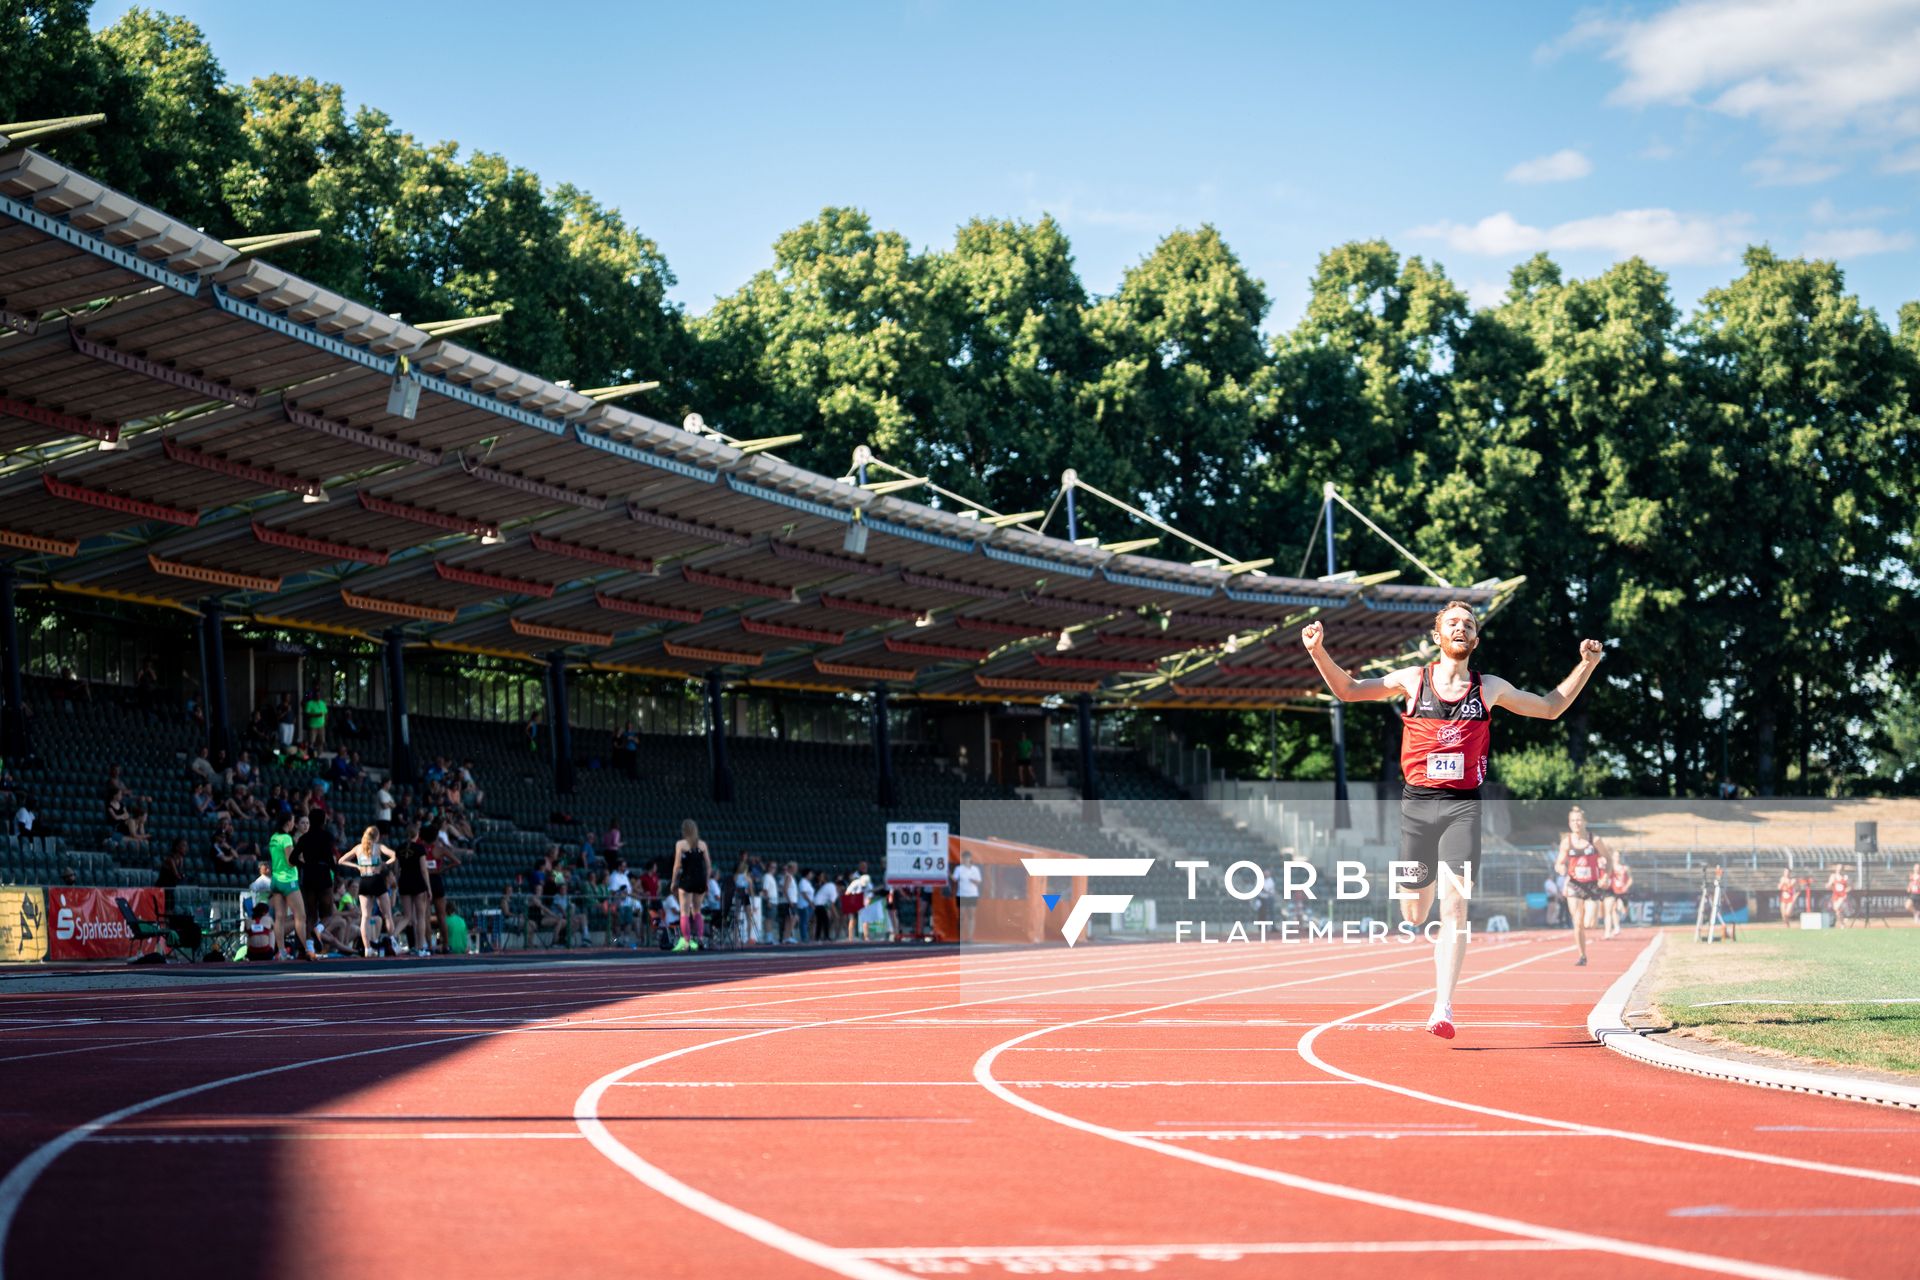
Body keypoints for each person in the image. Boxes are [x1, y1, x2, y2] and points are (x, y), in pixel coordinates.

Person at [1303, 601, 1607, 1040]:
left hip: (1463, 808)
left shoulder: (1489, 688)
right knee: (1413, 912)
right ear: (1437, 636)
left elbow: (1549, 707)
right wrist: (1317, 651)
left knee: (1456, 906)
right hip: (1416, 808)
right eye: (1453, 623)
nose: (1461, 628)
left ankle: (1442, 1006)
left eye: (1469, 624)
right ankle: (1420, 918)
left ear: (1476, 639)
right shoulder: (1412, 680)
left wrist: (1587, 665)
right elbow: (1350, 690)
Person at [1555, 806, 1614, 966]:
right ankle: (1582, 955)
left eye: (1579, 820)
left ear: (1585, 822)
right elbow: (1559, 863)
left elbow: (1609, 860)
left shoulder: (1594, 840)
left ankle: (1595, 918)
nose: (1576, 823)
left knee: (1590, 923)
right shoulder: (1566, 842)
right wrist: (1561, 868)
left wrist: (1606, 876)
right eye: (1573, 820)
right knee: (1577, 922)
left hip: (1592, 885)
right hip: (1574, 885)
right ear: (1569, 823)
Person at [337, 825, 400, 957]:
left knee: (365, 916)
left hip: (364, 881)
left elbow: (341, 860)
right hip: (376, 880)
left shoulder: (358, 848)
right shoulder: (378, 847)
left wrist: (357, 866)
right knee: (387, 914)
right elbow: (395, 855)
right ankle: (393, 941)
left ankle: (367, 948)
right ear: (376, 836)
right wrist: (385, 864)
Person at [266, 813, 314, 961]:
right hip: (288, 880)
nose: (294, 824)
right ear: (288, 823)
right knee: (301, 916)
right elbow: (290, 861)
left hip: (276, 880)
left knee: (279, 917)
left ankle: (282, 952)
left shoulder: (274, 837)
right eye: (293, 821)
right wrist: (303, 860)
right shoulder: (286, 838)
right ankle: (307, 949)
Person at [667, 820, 711, 953]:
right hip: (700, 880)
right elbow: (708, 866)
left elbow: (677, 865)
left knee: (684, 912)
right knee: (697, 911)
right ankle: (700, 939)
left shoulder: (680, 844)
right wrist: (706, 881)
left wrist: (673, 882)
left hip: (687, 879)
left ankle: (686, 942)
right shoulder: (702, 844)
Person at [395, 823, 432, 956]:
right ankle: (420, 947)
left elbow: (396, 870)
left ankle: (393, 935)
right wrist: (428, 888)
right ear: (416, 835)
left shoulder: (399, 848)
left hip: (404, 882)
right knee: (420, 916)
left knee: (407, 916)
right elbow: (423, 869)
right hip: (417, 883)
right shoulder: (420, 848)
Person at [951, 848, 983, 943]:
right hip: (962, 894)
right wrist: (949, 874)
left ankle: (970, 937)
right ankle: (960, 937)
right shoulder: (959, 869)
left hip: (972, 894)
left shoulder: (975, 869)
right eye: (964, 858)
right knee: (962, 915)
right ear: (962, 858)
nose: (966, 859)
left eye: (967, 858)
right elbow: (954, 879)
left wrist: (972, 880)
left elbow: (978, 882)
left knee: (971, 915)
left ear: (970, 858)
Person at [1604, 855, 1632, 938]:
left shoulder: (1625, 868)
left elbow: (1630, 879)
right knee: (1613, 909)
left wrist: (1626, 886)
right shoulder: (1610, 868)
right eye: (1615, 856)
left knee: (1624, 910)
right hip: (1614, 891)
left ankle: (1623, 915)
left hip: (1623, 891)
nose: (1617, 858)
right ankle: (1616, 927)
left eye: (1618, 856)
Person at [844, 863, 872, 942]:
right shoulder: (855, 883)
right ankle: (850, 938)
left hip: (863, 901)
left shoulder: (869, 885)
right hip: (854, 900)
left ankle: (866, 937)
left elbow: (869, 896)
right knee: (853, 920)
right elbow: (847, 893)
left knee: (865, 920)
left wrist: (867, 904)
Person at [302, 686, 328, 751]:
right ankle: (310, 754)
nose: (318, 696)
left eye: (319, 695)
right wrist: (316, 715)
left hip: (321, 726)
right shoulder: (309, 703)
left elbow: (325, 713)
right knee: (311, 742)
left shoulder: (322, 703)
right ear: (314, 695)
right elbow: (306, 714)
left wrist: (325, 722)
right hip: (312, 726)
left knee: (321, 741)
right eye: (316, 695)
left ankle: (319, 755)